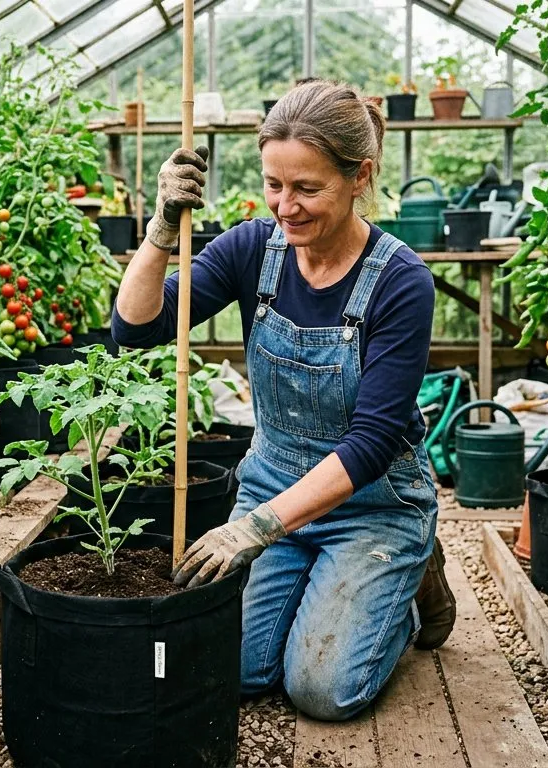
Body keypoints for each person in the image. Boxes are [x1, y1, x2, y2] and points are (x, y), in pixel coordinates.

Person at [111, 79, 454, 722]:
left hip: (370, 502)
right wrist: (160, 229)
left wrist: (255, 529)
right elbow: (136, 330)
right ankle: (324, 585)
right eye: (273, 184)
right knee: (233, 670)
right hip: (272, 482)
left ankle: (407, 582)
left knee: (321, 691)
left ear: (360, 177)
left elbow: (373, 444)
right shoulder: (251, 250)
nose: (284, 207)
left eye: (306, 188)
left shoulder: (400, 281)